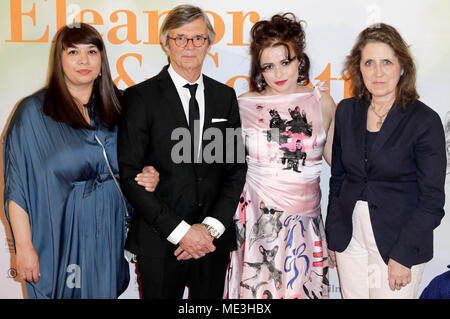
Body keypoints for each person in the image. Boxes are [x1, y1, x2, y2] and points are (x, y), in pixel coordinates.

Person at [3, 23, 157, 299]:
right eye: (73, 52)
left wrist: (149, 173)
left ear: (102, 60)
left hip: (107, 237)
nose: (83, 60)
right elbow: (17, 189)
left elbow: (142, 164)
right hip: (55, 238)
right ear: (59, 60)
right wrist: (23, 248)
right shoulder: (32, 113)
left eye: (92, 51)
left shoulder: (123, 107)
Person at [117, 5, 247, 299]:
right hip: (160, 241)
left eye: (198, 38)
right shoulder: (140, 96)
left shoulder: (223, 97)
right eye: (181, 38)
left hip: (212, 242)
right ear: (166, 42)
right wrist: (183, 233)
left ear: (209, 43)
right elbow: (129, 173)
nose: (190, 46)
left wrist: (209, 229)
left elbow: (234, 169)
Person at [325, 23, 446, 299]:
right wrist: (334, 233)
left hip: (399, 241)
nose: (377, 72)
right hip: (350, 239)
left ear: (402, 67)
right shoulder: (346, 111)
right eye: (369, 63)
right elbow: (339, 179)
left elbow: (432, 200)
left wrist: (404, 255)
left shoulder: (424, 121)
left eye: (387, 62)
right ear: (359, 68)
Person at [223, 13, 336, 299]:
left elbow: (342, 165)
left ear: (300, 60)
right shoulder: (244, 106)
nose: (279, 73)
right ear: (260, 70)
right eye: (269, 66)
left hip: (305, 226)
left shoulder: (322, 102)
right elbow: (222, 166)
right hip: (257, 226)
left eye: (285, 62)